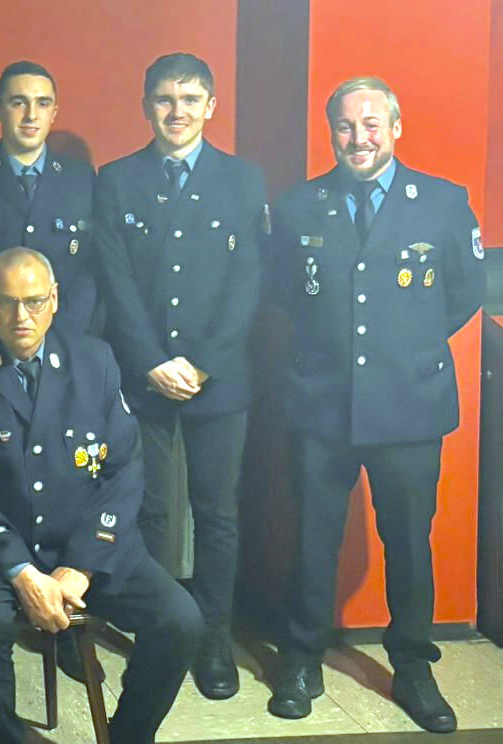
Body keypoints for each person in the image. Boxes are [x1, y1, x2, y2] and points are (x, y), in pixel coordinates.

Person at [265, 76, 484, 732]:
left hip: (408, 403)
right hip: (322, 401)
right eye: (344, 126)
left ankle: (413, 666)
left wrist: (404, 346)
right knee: (314, 537)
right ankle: (301, 658)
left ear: (395, 128)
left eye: (370, 124)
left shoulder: (443, 203)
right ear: (331, 132)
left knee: (409, 542)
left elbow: (464, 292)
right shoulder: (300, 206)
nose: (357, 138)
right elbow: (286, 292)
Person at [0, 248, 202, 744]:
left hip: (84, 543)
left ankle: (129, 736)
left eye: (33, 301)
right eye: (6, 302)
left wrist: (83, 564)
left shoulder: (95, 360)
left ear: (54, 299)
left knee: (180, 620)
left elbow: (123, 470)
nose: (21, 316)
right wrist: (21, 571)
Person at [94, 52, 268, 699]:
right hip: (144, 376)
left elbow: (248, 283)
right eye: (165, 99)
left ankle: (215, 639)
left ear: (211, 106)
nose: (178, 111)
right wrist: (150, 360)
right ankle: (163, 632)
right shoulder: (117, 179)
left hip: (218, 378)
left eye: (191, 99)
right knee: (148, 509)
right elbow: (115, 279)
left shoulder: (243, 180)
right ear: (146, 106)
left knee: (216, 514)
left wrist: (201, 362)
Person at [0, 60, 97, 339]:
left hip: (65, 340)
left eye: (42, 103)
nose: (31, 115)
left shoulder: (81, 179)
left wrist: (56, 335)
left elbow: (89, 269)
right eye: (18, 103)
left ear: (54, 113)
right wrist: (3, 327)